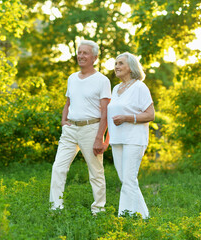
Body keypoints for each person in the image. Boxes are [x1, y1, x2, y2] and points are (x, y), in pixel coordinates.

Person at [49, 40, 111, 215]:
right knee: (58, 168)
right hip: (70, 130)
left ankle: (98, 210)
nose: (81, 56)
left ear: (95, 57)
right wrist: (63, 121)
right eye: (79, 52)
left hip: (91, 129)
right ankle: (56, 209)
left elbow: (105, 111)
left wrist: (100, 137)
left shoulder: (102, 80)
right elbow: (68, 103)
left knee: (96, 172)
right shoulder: (72, 78)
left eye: (85, 53)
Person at [107, 52, 155, 219]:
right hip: (117, 139)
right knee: (126, 180)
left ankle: (124, 218)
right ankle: (143, 216)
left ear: (131, 67)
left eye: (121, 63)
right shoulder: (116, 89)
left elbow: (150, 115)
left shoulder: (140, 87)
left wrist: (128, 118)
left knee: (128, 179)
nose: (117, 66)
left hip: (134, 139)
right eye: (116, 63)